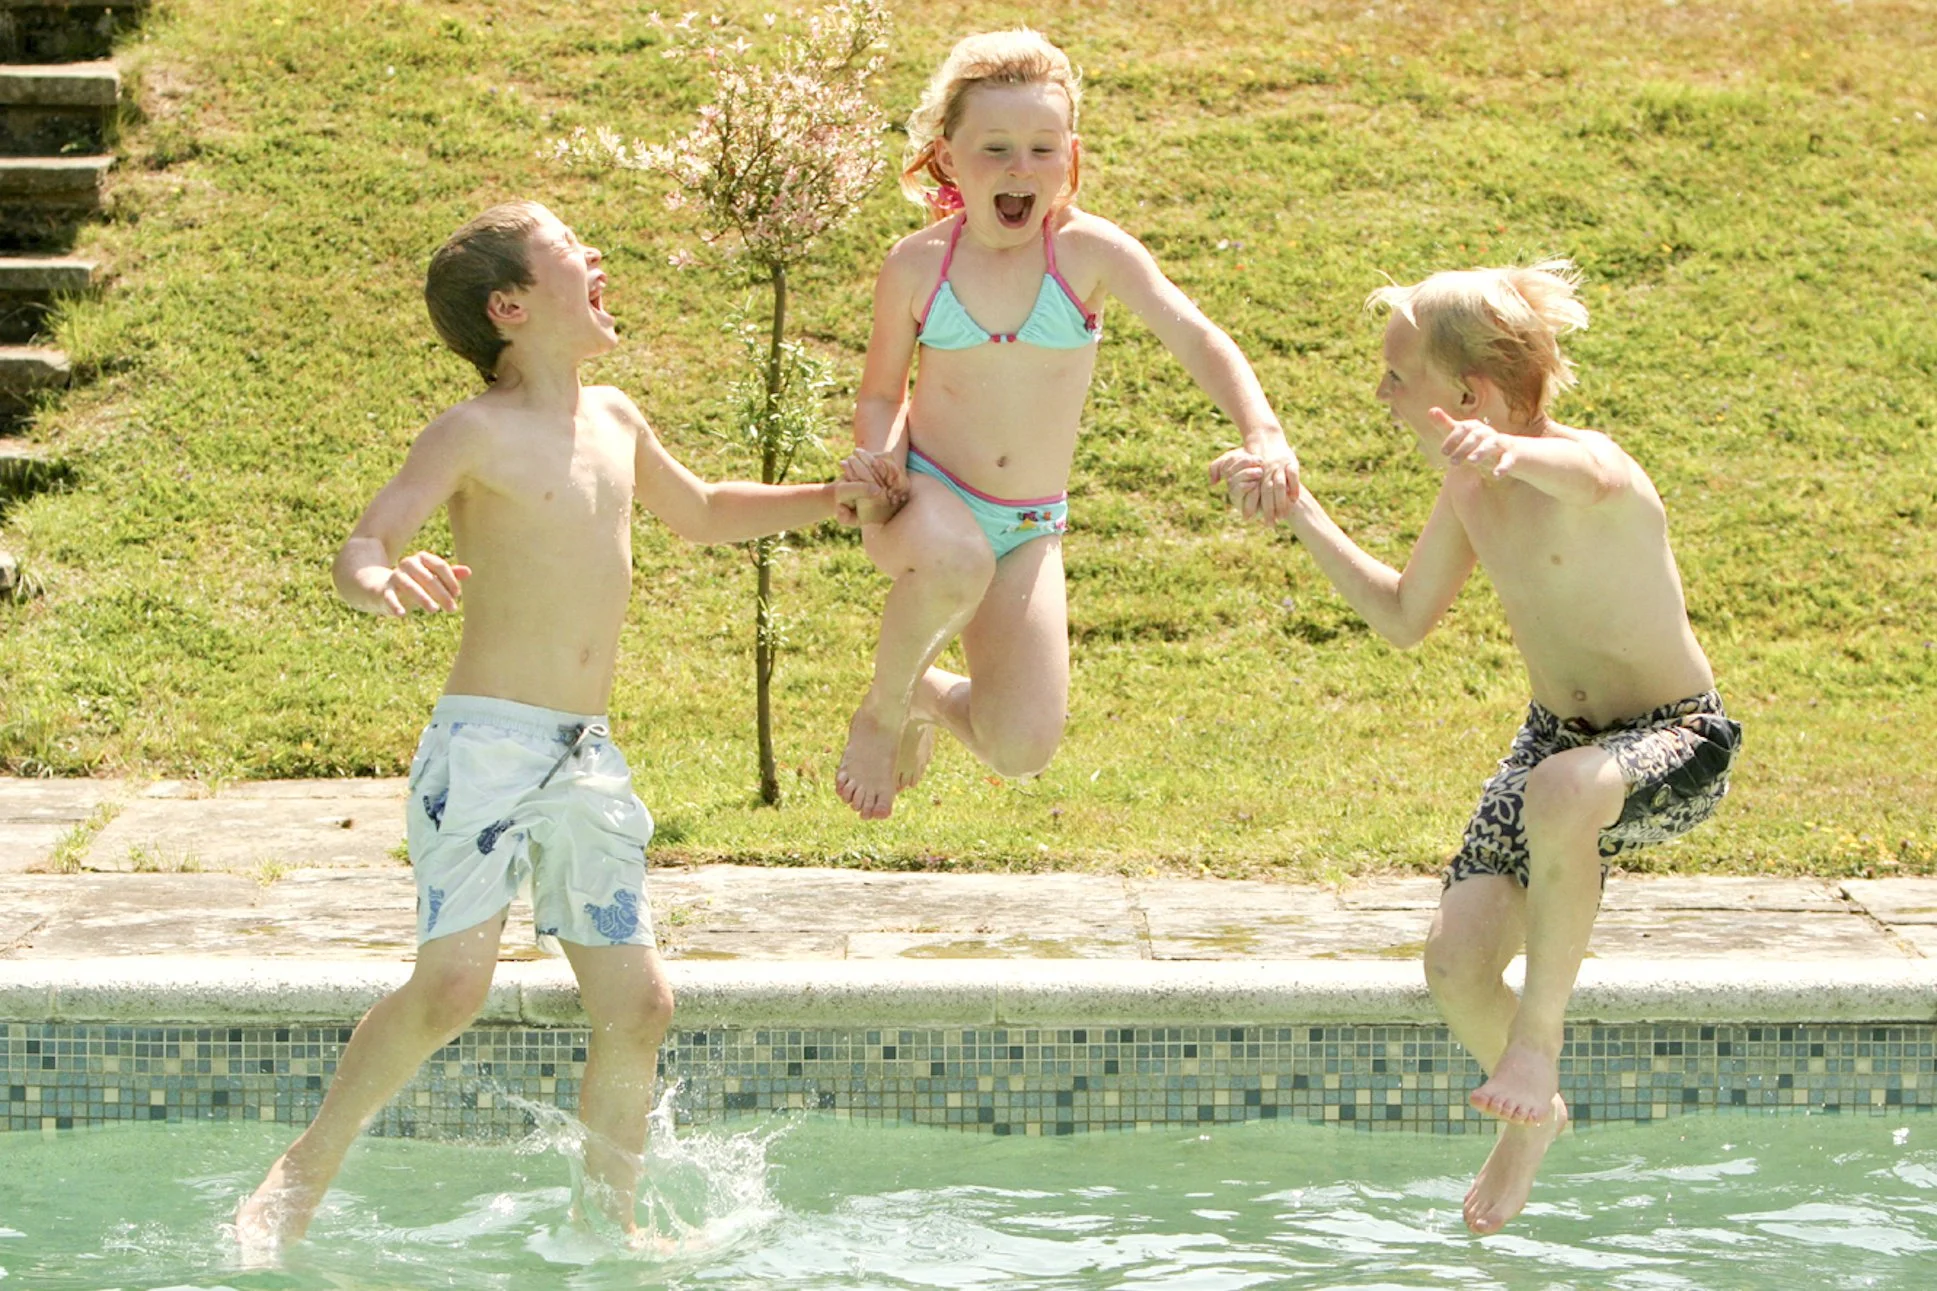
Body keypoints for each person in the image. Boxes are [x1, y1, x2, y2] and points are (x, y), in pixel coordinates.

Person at [235, 201, 878, 1252]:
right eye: (572, 250)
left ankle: (608, 1220)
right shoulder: (470, 432)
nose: (597, 257)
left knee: (641, 1005)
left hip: (584, 755)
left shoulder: (616, 418)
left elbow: (705, 510)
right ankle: (301, 1169)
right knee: (450, 986)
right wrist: (380, 579)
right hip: (484, 744)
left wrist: (828, 502)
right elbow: (367, 538)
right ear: (511, 306)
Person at [1230, 260, 1740, 1234]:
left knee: (1557, 795)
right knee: (1454, 964)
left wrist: (1504, 452)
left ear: (1466, 395)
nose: (1380, 393)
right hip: (1558, 741)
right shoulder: (1466, 487)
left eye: (1395, 375)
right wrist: (1297, 507)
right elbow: (1400, 614)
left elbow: (1575, 470)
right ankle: (1531, 1117)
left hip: (1674, 737)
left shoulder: (1594, 469)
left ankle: (1536, 1046)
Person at [833, 27, 1301, 820]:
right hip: (925, 500)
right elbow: (881, 393)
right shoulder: (918, 265)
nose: (1021, 170)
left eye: (1042, 150)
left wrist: (1262, 429)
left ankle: (923, 698)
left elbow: (1197, 335)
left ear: (1070, 157)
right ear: (947, 157)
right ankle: (880, 711)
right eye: (996, 149)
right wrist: (875, 458)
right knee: (953, 556)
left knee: (1019, 747)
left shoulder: (1086, 254)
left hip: (1029, 521)